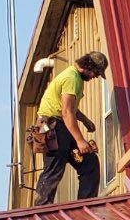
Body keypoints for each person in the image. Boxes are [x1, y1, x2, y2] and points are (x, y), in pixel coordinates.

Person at [32, 51, 108, 204]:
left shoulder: (74, 77)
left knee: (89, 164)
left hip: (60, 128)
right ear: (88, 67)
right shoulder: (71, 78)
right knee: (53, 170)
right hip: (53, 129)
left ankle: (85, 206)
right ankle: (41, 211)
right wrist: (80, 140)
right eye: (95, 73)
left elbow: (70, 108)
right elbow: (67, 112)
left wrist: (85, 120)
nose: (94, 77)